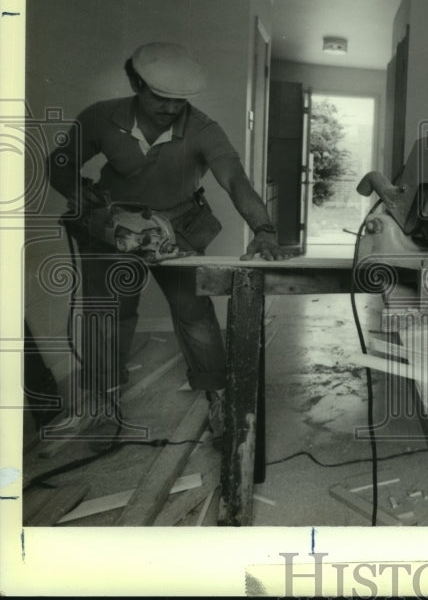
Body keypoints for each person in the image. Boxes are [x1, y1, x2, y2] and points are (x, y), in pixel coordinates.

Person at [46, 42, 291, 448]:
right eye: (161, 98)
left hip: (176, 228)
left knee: (194, 313)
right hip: (112, 228)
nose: (171, 108)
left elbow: (235, 180)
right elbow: (60, 162)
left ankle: (220, 397)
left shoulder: (202, 128)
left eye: (180, 101)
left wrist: (263, 230)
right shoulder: (101, 117)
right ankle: (104, 402)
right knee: (109, 314)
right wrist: (83, 194)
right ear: (136, 84)